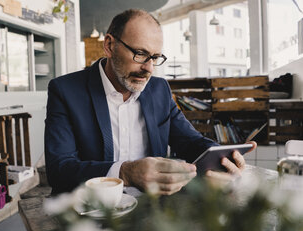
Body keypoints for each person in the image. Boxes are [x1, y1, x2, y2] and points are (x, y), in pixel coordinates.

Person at [45, 9, 256, 196]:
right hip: (92, 212)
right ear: (109, 45)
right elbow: (59, 170)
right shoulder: (66, 91)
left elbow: (190, 141)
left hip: (153, 210)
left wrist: (224, 157)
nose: (149, 68)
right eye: (140, 54)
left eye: (154, 57)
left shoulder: (159, 90)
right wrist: (125, 172)